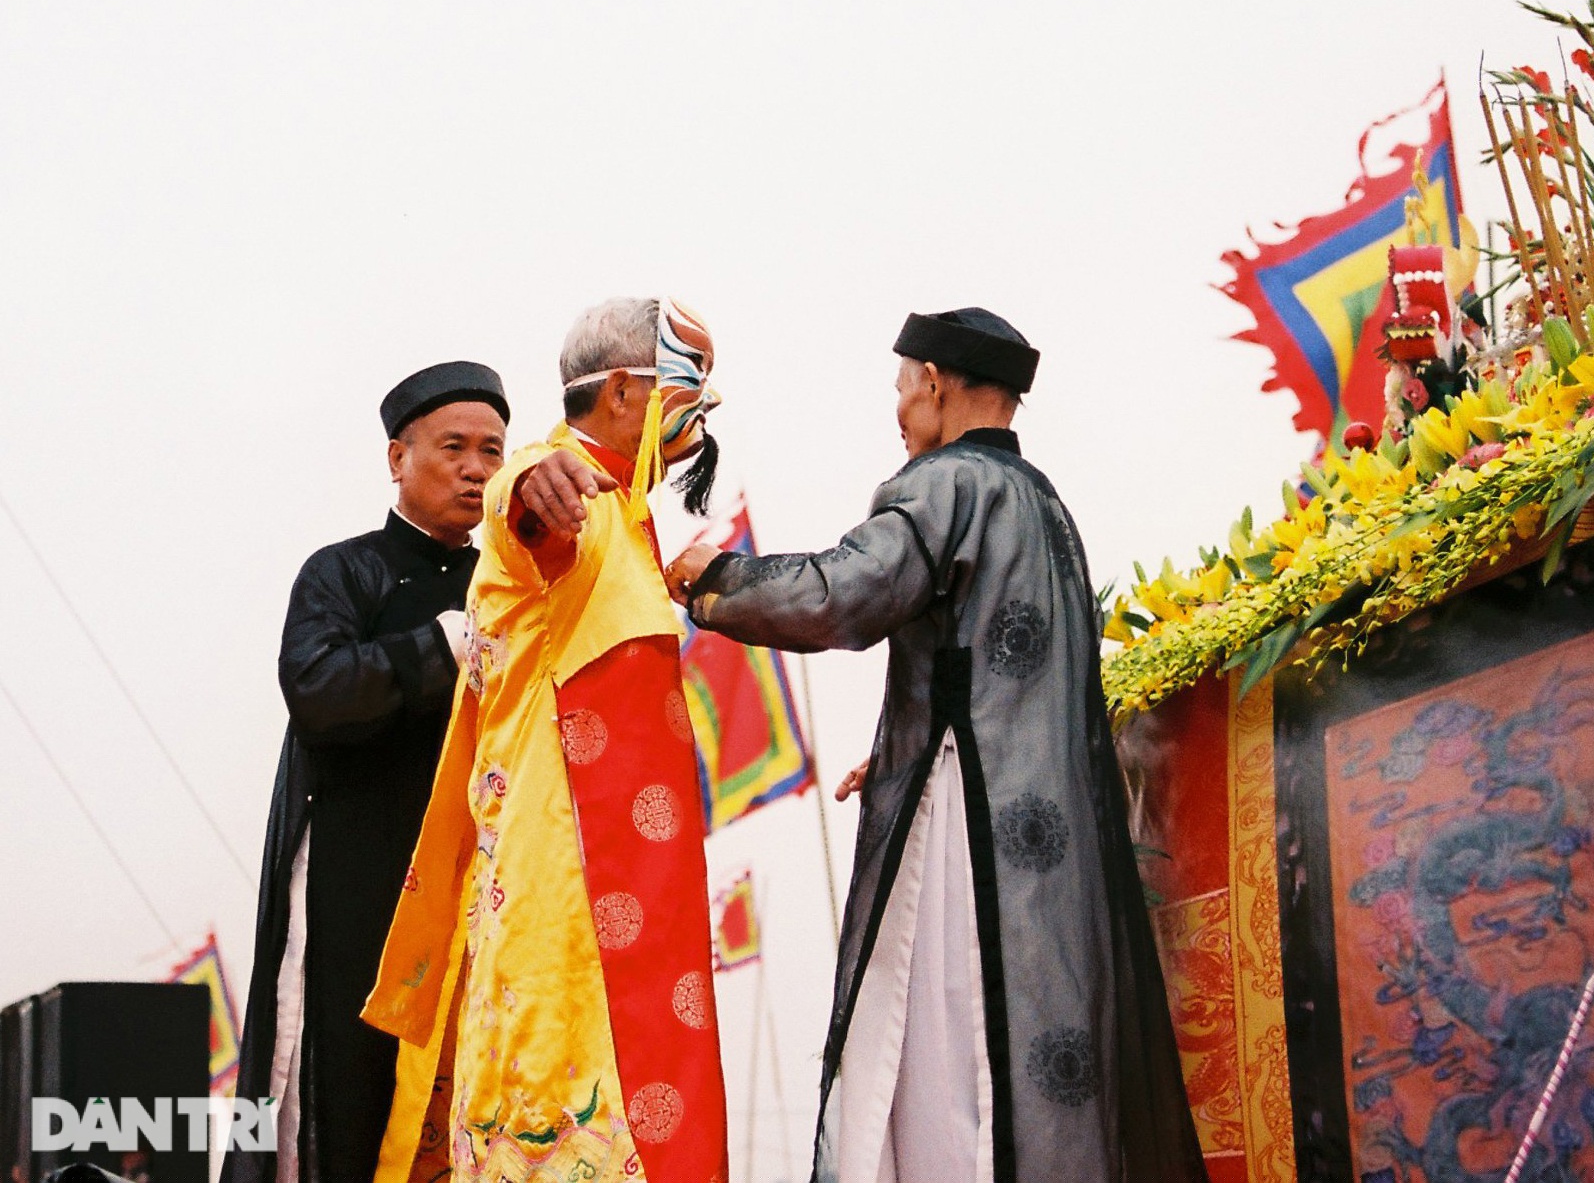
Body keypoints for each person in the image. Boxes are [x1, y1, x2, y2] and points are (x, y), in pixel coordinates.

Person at [665, 308, 1208, 1183]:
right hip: (1031, 818)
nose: (897, 405)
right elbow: (1004, 676)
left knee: (945, 1050)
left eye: (899, 385)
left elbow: (846, 593)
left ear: (934, 382)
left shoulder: (943, 483)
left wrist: (715, 583)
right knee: (1022, 1043)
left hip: (971, 826)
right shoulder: (1044, 505)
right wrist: (901, 749)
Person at [362, 297, 727, 1183]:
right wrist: (526, 472)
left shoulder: (627, 513)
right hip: (568, 885)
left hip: (647, 886)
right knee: (561, 1098)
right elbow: (520, 520)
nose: (703, 416)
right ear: (620, 393)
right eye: (687, 390)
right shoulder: (564, 491)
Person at [227, 362, 510, 1183]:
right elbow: (317, 690)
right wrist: (445, 646)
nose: (477, 469)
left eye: (493, 451)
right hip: (359, 882)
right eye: (453, 446)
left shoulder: (514, 584)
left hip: (477, 887)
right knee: (348, 1098)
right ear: (397, 457)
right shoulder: (342, 572)